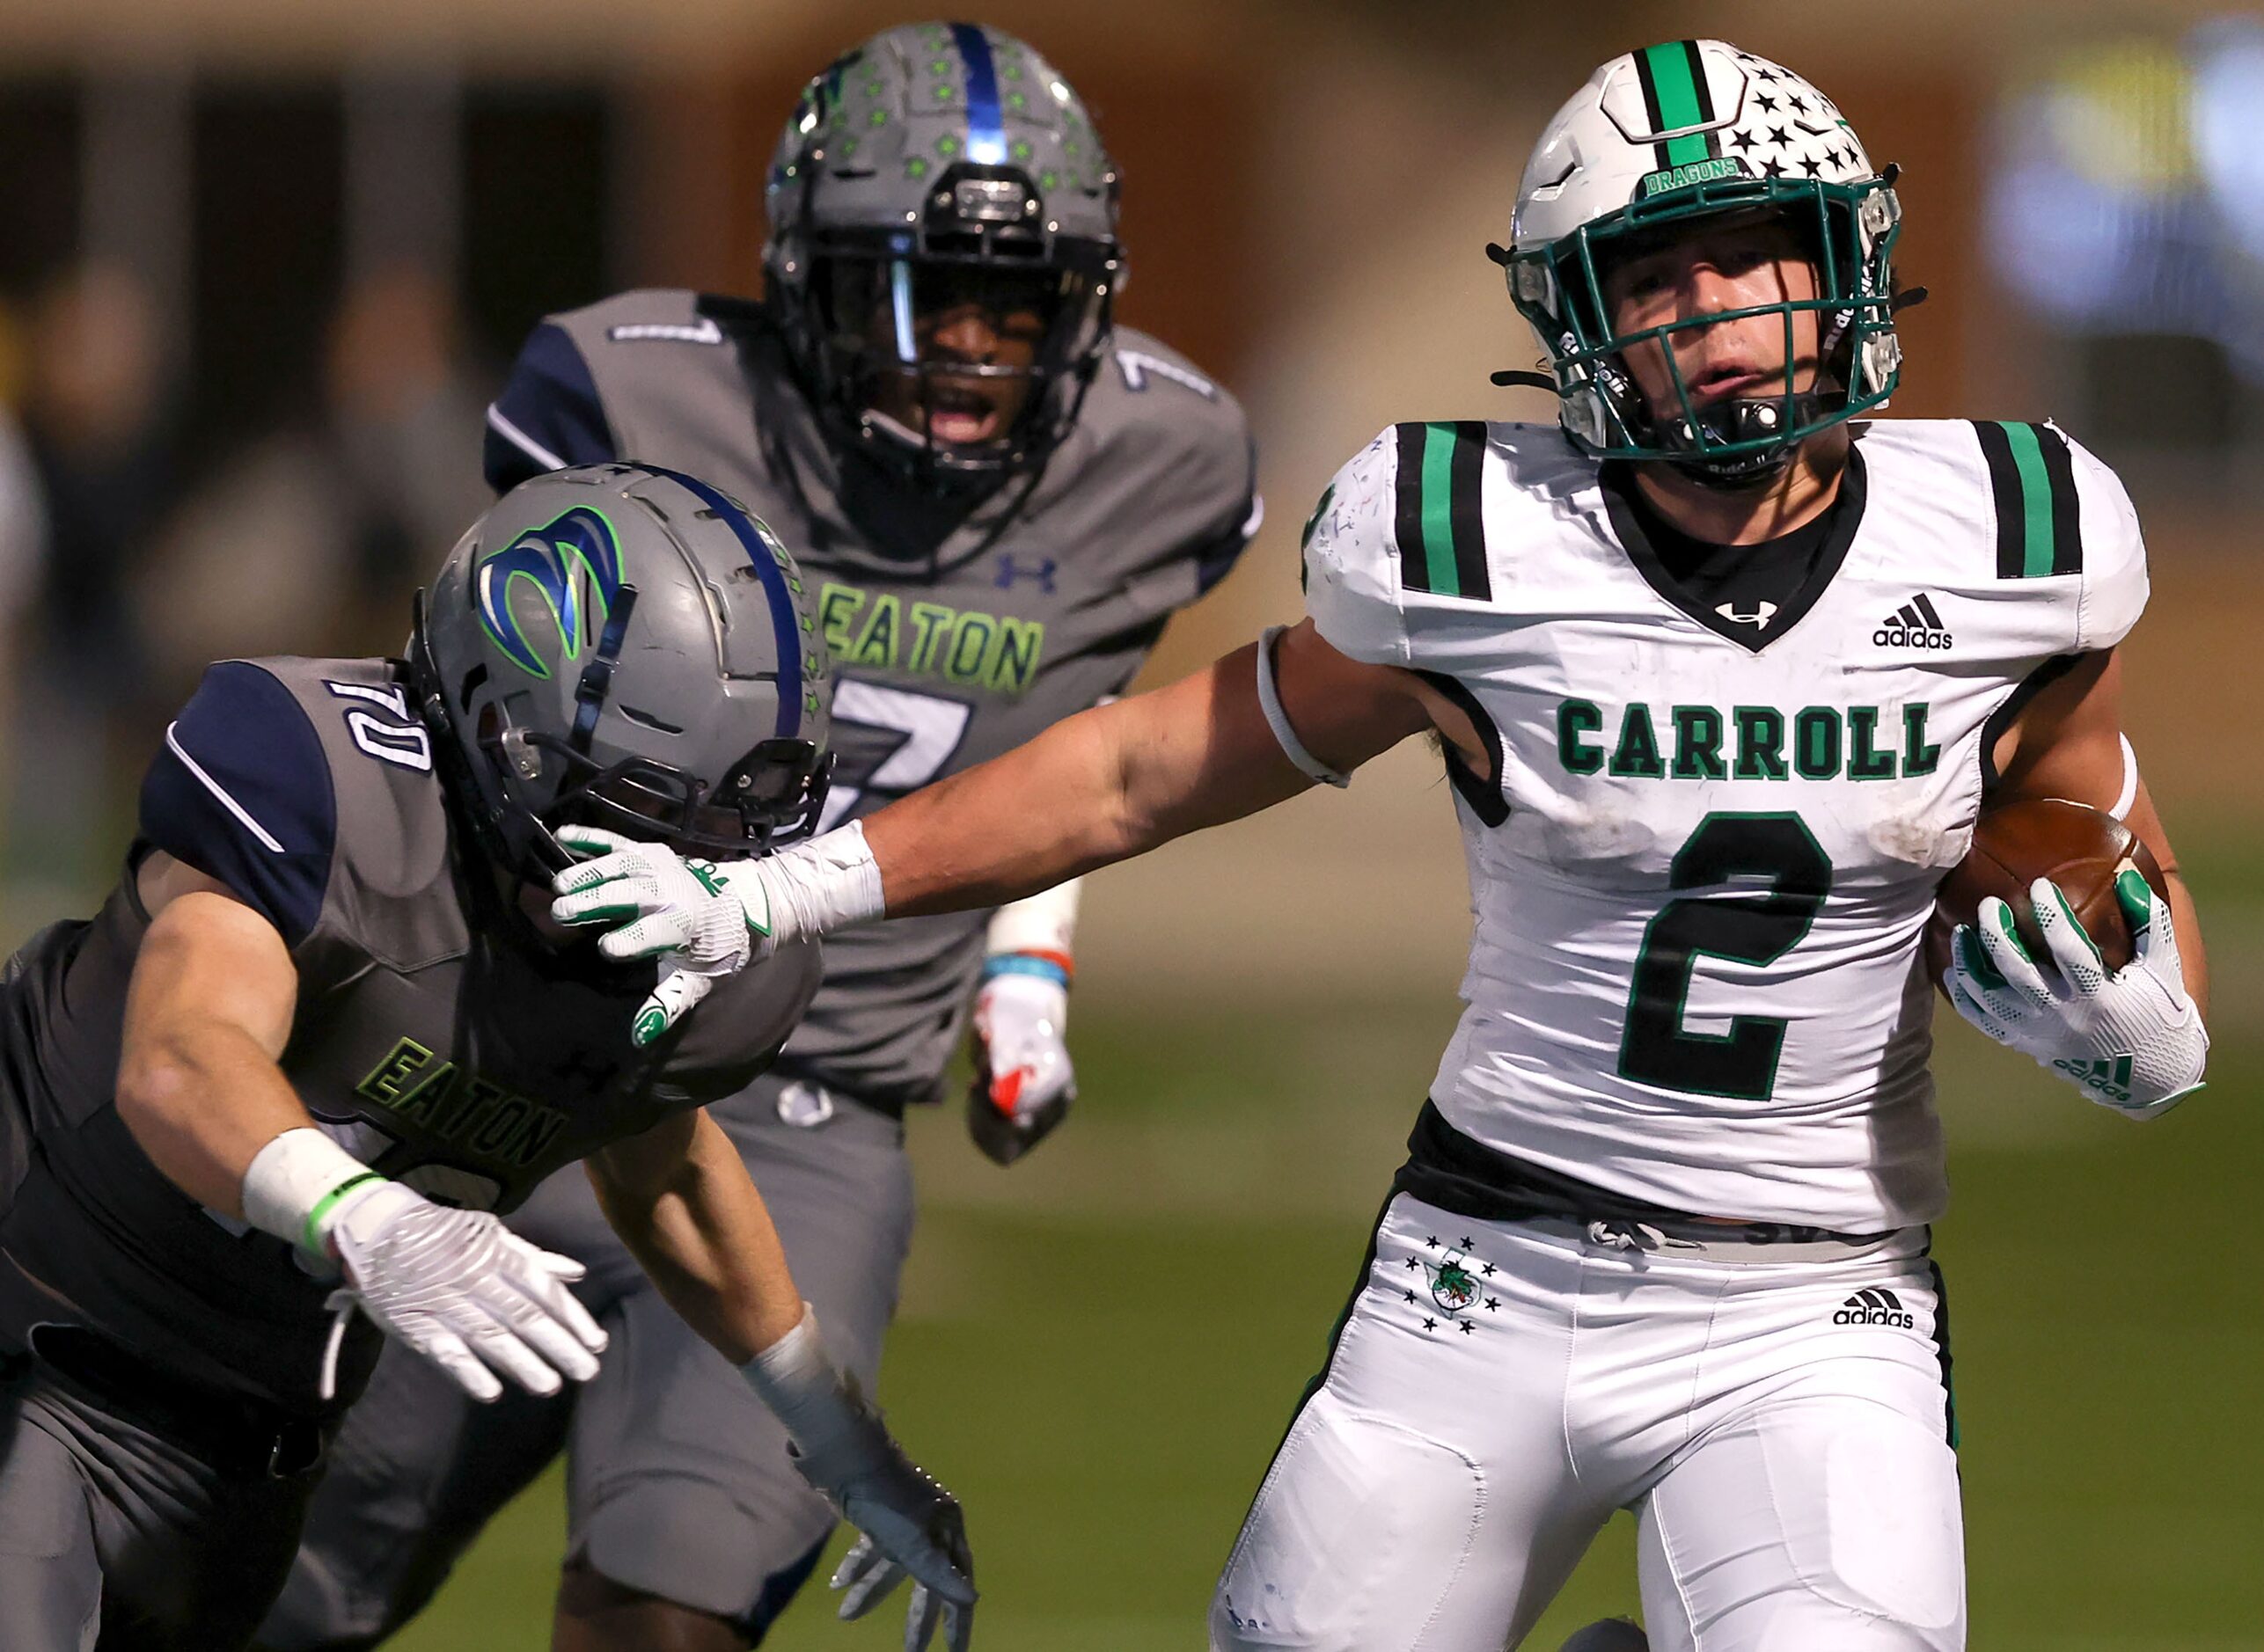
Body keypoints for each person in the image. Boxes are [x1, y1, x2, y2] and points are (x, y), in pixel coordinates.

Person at [543, 40, 2212, 1652]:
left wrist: (2147, 1016)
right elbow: (1137, 769)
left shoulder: (2014, 540)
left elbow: (2092, 842)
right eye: (1656, 279)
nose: (1712, 319)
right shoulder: (1474, 539)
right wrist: (786, 885)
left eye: (1750, 261)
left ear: (1844, 263)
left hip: (1815, 1302)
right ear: (1580, 321)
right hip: (1485, 1277)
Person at [263, 20, 1257, 1652]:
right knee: (272, 1581)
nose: (966, 349)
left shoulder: (1163, 463)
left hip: (809, 1106)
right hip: (514, 1070)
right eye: (913, 290)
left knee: (671, 1609)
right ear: (802, 269)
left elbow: (1081, 744)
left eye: (1016, 301)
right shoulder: (631, 388)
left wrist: (1027, 964)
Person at [0, 464, 972, 1651]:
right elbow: (180, 1055)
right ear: (503, 730)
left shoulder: (702, 962)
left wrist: (831, 1428)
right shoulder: (331, 784)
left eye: (725, 836)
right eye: (645, 814)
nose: (679, 876)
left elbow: (662, 1164)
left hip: (241, 1449)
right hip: (40, 1331)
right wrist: (363, 1214)